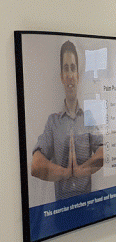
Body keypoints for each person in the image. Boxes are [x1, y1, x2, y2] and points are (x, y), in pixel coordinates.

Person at [31, 39, 104, 200]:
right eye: (66, 69)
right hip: (62, 212)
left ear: (77, 76)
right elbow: (35, 166)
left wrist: (81, 170)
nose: (70, 75)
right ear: (62, 77)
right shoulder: (53, 122)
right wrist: (65, 173)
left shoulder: (88, 118)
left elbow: (103, 152)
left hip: (87, 205)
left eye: (73, 68)